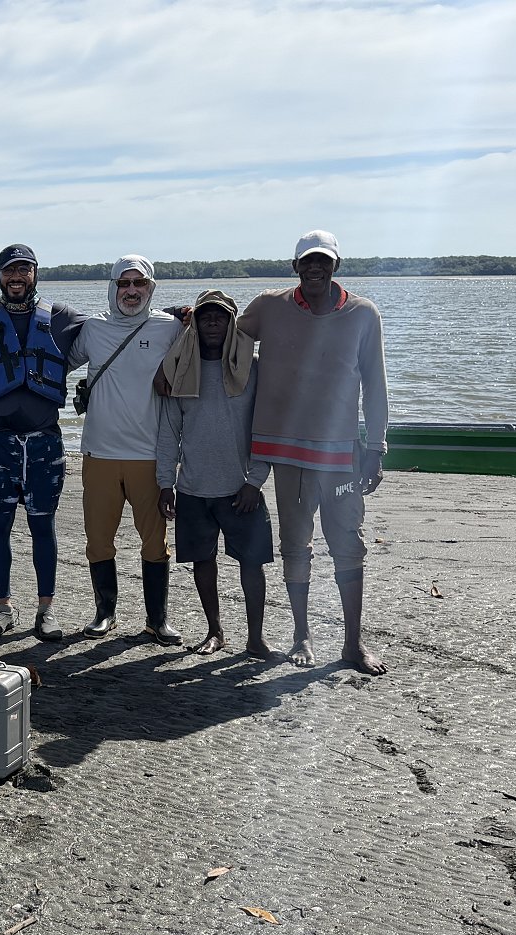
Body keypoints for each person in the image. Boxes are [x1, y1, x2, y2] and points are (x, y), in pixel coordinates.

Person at [226, 230, 389, 674]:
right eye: (307, 262)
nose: (315, 268)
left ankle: (352, 645)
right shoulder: (269, 307)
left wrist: (376, 447)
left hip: (340, 456)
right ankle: (302, 634)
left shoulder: (362, 314)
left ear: (336, 265)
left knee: (348, 546)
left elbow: (375, 384)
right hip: (288, 455)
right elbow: (224, 337)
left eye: (324, 261)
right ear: (295, 266)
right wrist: (179, 320)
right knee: (296, 546)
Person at [0, 244, 88, 640]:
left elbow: (118, 327)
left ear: (35, 274)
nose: (17, 277)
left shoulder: (65, 319)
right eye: (10, 271)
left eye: (24, 270)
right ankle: (2, 608)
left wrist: (179, 315)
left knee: (44, 526)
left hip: (44, 443)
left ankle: (47, 610)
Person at [68, 255, 184, 642]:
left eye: (140, 284)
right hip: (99, 454)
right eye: (124, 283)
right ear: (112, 287)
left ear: (151, 289)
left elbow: (210, 350)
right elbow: (55, 364)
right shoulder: (93, 328)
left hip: (150, 455)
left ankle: (157, 619)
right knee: (98, 539)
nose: (131, 291)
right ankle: (105, 613)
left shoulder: (171, 328)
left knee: (155, 542)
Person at [156, 289, 274, 658]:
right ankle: (215, 631)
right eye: (205, 315)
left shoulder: (251, 368)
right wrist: (165, 483)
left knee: (252, 564)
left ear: (231, 322)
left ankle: (256, 638)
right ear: (195, 322)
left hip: (241, 489)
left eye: (220, 317)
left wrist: (255, 481)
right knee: (202, 562)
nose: (211, 322)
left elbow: (266, 426)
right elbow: (169, 430)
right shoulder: (180, 366)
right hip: (193, 488)